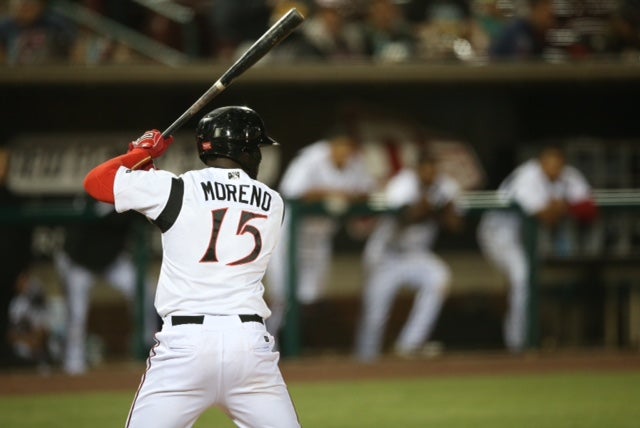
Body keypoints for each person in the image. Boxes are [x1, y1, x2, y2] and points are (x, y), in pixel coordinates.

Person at [83, 106, 300, 427]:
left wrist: (140, 154)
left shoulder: (177, 188)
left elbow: (96, 183)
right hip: (250, 348)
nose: (258, 155)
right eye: (255, 147)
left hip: (186, 347)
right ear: (242, 149)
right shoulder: (274, 202)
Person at [476, 146, 598, 353]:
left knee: (526, 280)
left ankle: (522, 341)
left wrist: (563, 207)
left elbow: (589, 209)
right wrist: (561, 207)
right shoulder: (527, 177)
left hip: (525, 237)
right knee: (522, 277)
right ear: (540, 163)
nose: (554, 170)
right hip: (498, 234)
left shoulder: (568, 176)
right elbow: (546, 218)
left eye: (558, 166)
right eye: (549, 165)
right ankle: (518, 344)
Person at [265, 130, 376, 344]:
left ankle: (293, 347)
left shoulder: (355, 163)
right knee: (281, 298)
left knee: (310, 298)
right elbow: (292, 192)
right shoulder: (311, 158)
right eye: (341, 147)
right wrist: (332, 194)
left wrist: (346, 197)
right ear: (331, 146)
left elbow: (368, 192)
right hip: (288, 237)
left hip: (319, 239)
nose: (345, 153)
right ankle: (269, 347)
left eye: (349, 149)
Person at [355, 151, 463, 362]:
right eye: (425, 169)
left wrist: (441, 210)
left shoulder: (445, 186)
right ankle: (364, 362)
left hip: (416, 255)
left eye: (433, 169)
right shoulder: (403, 184)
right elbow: (406, 216)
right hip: (385, 255)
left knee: (439, 278)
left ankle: (409, 345)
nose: (430, 174)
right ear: (417, 170)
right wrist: (434, 208)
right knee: (374, 317)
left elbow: (456, 224)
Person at [54, 200, 157, 375]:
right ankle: (74, 362)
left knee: (144, 291)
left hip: (112, 261)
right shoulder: (90, 197)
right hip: (80, 262)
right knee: (77, 313)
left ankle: (148, 346)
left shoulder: (130, 200)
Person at [0, 146, 35, 367]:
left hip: (7, 272)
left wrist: (23, 272)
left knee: (4, 317)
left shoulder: (14, 200)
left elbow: (25, 242)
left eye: (4, 163)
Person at [0, 0, 76, 65]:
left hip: (51, 76)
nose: (24, 7)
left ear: (40, 5)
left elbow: (75, 48)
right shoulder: (5, 27)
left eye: (29, 4)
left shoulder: (56, 25)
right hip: (15, 77)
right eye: (21, 4)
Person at [488, 0, 556, 60]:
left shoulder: (545, 34)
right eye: (548, 16)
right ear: (535, 9)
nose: (551, 22)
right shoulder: (516, 32)